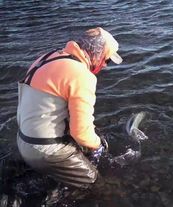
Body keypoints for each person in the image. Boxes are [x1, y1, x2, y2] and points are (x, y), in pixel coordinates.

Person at [16, 27, 122, 190]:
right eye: (106, 60)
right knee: (96, 184)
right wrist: (99, 145)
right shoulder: (81, 75)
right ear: (98, 53)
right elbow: (81, 133)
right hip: (46, 152)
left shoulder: (47, 58)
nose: (105, 66)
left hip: (23, 142)